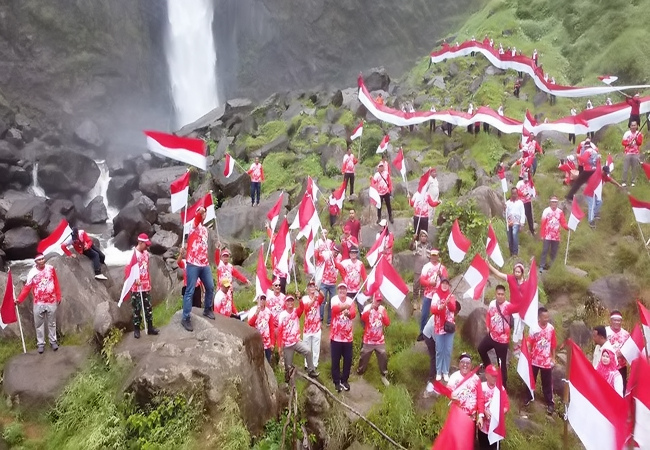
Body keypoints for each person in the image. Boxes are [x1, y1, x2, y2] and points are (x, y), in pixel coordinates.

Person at [16, 254, 61, 353]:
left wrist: (58, 296)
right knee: (39, 324)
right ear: (36, 262)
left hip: (51, 300)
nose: (42, 261)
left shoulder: (50, 269)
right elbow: (27, 287)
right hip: (38, 302)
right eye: (39, 260)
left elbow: (56, 282)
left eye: (43, 259)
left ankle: (53, 341)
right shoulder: (32, 273)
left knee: (52, 323)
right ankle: (40, 343)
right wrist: (19, 299)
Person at [181, 207, 215, 332]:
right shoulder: (192, 225)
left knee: (210, 287)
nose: (203, 214)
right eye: (201, 212)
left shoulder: (205, 230)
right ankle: (185, 317)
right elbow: (197, 220)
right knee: (189, 291)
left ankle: (207, 309)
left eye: (205, 212)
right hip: (193, 263)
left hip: (204, 263)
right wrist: (199, 213)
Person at [478, 285, 515, 387]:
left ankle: (503, 386)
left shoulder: (508, 306)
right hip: (492, 336)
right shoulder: (492, 304)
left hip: (502, 341)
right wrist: (487, 326)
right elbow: (489, 315)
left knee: (501, 364)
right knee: (481, 349)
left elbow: (517, 311)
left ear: (505, 295)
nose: (500, 296)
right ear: (496, 294)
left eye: (502, 294)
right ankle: (489, 369)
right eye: (498, 294)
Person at [277, 295, 319, 382]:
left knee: (308, 351)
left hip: (296, 342)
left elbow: (302, 307)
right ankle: (287, 381)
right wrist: (279, 346)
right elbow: (280, 331)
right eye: (288, 301)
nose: (290, 303)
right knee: (288, 366)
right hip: (287, 345)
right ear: (285, 303)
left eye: (292, 301)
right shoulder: (282, 315)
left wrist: (300, 299)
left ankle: (311, 371)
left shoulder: (296, 312)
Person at [525, 307, 557, 414]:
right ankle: (528, 397)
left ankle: (550, 403)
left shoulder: (551, 328)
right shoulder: (534, 328)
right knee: (531, 379)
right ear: (539, 317)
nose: (546, 319)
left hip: (546, 361)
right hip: (534, 359)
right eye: (544, 317)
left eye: (548, 317)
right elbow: (529, 342)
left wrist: (553, 357)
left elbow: (553, 344)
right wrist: (526, 352)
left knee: (547, 382)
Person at [128, 234, 159, 339]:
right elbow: (129, 270)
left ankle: (150, 327)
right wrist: (135, 278)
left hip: (146, 285)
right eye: (145, 244)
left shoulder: (146, 253)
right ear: (140, 243)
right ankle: (136, 329)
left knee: (148, 307)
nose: (147, 246)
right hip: (136, 287)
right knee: (137, 308)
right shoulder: (133, 255)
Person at [357, 291, 391, 387]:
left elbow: (387, 323)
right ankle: (360, 372)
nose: (378, 302)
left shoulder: (382, 309)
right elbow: (363, 318)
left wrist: (383, 315)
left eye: (380, 301)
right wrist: (370, 310)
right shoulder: (367, 307)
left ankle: (383, 375)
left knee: (383, 356)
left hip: (379, 340)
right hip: (368, 339)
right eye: (377, 300)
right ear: (373, 299)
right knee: (364, 356)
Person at [330, 283, 356, 392]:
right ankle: (336, 381)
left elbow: (353, 314)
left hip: (347, 338)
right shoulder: (334, 299)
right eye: (340, 289)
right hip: (336, 337)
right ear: (338, 290)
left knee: (347, 360)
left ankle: (344, 380)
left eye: (344, 289)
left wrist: (348, 314)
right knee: (335, 360)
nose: (342, 291)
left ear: (346, 290)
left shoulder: (351, 301)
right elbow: (335, 309)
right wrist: (345, 307)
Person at [418, 249, 448, 339]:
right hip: (428, 294)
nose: (434, 257)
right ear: (430, 256)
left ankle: (436, 332)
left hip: (438, 296)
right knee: (424, 314)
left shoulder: (442, 268)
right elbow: (421, 280)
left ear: (438, 257)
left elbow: (446, 281)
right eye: (432, 255)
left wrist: (440, 275)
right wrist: (429, 283)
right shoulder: (426, 267)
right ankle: (422, 332)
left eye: (436, 256)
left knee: (437, 314)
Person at [448, 353, 485, 426]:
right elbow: (448, 391)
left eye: (467, 363)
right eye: (462, 362)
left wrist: (481, 416)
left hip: (471, 419)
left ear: (471, 365)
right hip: (456, 417)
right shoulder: (453, 377)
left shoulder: (476, 379)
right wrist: (450, 395)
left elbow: (480, 398)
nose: (465, 365)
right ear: (459, 364)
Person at [478, 364, 510, 449]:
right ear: (486, 375)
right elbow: (478, 402)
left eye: (496, 376)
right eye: (492, 376)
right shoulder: (481, 386)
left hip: (495, 429)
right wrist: (484, 411)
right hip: (483, 428)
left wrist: (496, 413)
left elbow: (506, 406)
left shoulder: (500, 389)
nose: (494, 378)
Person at [431, 278, 457, 381]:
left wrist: (448, 302)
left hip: (449, 327)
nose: (445, 285)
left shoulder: (452, 296)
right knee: (439, 350)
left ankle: (445, 371)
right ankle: (438, 371)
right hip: (439, 327)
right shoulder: (436, 296)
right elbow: (433, 309)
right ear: (440, 284)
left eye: (447, 284)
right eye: (443, 283)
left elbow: (453, 308)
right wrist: (439, 307)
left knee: (448, 350)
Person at [335, 246, 367, 318]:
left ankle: (364, 323)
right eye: (351, 253)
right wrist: (333, 257)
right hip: (347, 290)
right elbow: (337, 266)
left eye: (354, 252)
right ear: (349, 254)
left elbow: (364, 276)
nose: (353, 254)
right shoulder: (345, 262)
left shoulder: (360, 264)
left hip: (357, 289)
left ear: (356, 253)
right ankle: (344, 321)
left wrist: (367, 288)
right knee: (346, 306)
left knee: (361, 307)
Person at [539, 196, 569, 271]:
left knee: (554, 252)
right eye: (553, 202)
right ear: (550, 203)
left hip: (556, 236)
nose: (554, 203)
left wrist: (567, 227)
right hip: (547, 235)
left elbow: (563, 222)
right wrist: (542, 234)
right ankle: (542, 266)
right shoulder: (546, 211)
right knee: (545, 250)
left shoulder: (560, 212)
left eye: (555, 202)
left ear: (557, 203)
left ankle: (552, 266)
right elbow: (543, 223)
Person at [301, 281, 324, 370]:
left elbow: (323, 296)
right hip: (307, 328)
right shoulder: (305, 298)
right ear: (307, 289)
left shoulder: (317, 298)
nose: (312, 288)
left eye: (313, 286)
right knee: (307, 347)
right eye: (310, 286)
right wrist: (313, 299)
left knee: (316, 347)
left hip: (316, 327)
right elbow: (306, 308)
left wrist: (319, 289)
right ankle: (307, 364)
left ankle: (314, 364)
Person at [605, 310, 630, 392]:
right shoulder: (605, 332)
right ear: (611, 321)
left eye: (618, 320)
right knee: (607, 390)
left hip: (621, 367)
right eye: (614, 320)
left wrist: (621, 354)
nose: (616, 322)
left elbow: (628, 351)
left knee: (620, 390)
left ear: (621, 321)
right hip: (607, 367)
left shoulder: (626, 334)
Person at [315, 242, 340, 326]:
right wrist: (317, 252)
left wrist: (334, 260)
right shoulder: (326, 256)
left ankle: (330, 320)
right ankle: (320, 319)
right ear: (332, 250)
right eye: (334, 251)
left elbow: (338, 266)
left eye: (337, 252)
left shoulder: (339, 258)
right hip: (324, 282)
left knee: (332, 302)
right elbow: (319, 258)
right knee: (322, 301)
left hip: (333, 284)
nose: (335, 253)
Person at [247, 294, 275, 363]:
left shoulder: (269, 312)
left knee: (267, 362)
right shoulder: (253, 310)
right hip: (257, 341)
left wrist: (272, 342)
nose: (262, 300)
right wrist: (256, 313)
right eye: (260, 299)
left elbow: (271, 328)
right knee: (257, 362)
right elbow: (250, 324)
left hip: (267, 342)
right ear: (257, 300)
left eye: (264, 299)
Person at [621, 120, 644, 187]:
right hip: (627, 153)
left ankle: (633, 181)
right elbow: (623, 142)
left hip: (636, 153)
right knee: (625, 168)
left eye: (635, 125)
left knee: (634, 168)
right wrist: (628, 143)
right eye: (632, 125)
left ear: (637, 126)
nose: (633, 127)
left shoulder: (639, 133)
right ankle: (624, 181)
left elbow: (640, 143)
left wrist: (636, 139)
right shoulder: (626, 133)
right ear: (630, 126)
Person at [505, 187, 526, 256]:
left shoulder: (520, 203)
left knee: (514, 234)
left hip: (516, 223)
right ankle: (511, 252)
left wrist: (522, 224)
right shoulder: (507, 203)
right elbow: (505, 213)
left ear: (517, 194)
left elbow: (522, 213)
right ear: (511, 194)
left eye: (515, 193)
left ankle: (515, 252)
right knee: (510, 238)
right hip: (509, 223)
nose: (514, 195)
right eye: (513, 193)